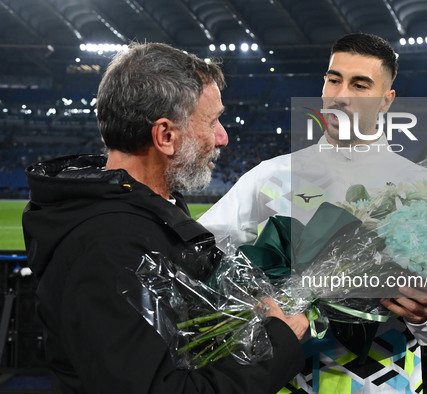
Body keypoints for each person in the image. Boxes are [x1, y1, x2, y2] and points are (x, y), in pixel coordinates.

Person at [22, 42, 308, 394]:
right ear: (166, 137)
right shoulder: (108, 247)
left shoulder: (145, 212)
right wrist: (277, 345)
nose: (223, 137)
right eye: (213, 121)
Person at [199, 33, 427, 393]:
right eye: (334, 79)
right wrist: (253, 299)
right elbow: (201, 253)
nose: (341, 95)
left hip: (386, 378)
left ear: (385, 101)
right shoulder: (271, 176)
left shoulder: (424, 188)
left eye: (360, 85)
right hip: (287, 372)